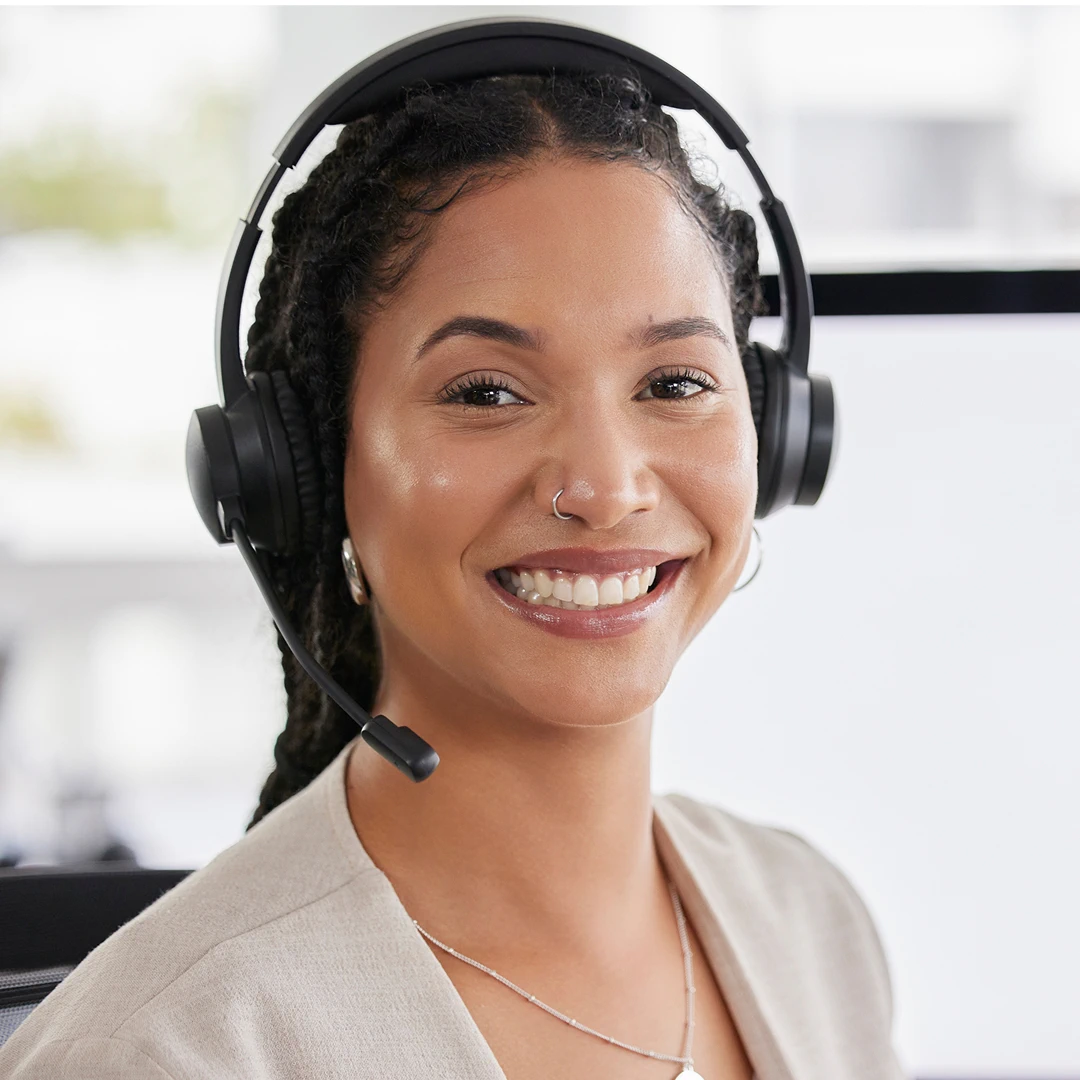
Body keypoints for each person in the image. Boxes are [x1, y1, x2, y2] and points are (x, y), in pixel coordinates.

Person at [0, 70, 906, 1079]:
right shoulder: (167, 1049)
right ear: (304, 470)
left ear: (774, 438)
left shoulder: (814, 929)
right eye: (486, 391)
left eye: (676, 382)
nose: (604, 487)